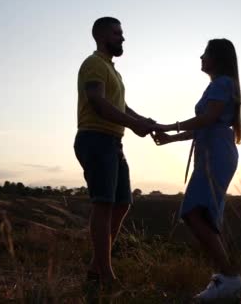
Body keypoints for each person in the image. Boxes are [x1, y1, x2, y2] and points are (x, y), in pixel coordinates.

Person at [151, 38, 241, 301]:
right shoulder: (218, 85)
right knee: (202, 215)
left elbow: (207, 119)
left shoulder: (222, 84)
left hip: (216, 153)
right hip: (211, 152)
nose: (200, 57)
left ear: (216, 57)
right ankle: (225, 279)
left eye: (205, 53)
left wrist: (170, 126)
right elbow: (203, 126)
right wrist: (170, 137)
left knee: (194, 212)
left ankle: (229, 278)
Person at [74, 17, 155, 288]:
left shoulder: (112, 71)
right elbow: (97, 102)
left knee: (122, 204)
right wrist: (134, 125)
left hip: (113, 143)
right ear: (102, 36)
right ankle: (106, 275)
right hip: (95, 139)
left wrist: (142, 121)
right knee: (104, 204)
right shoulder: (94, 63)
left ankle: (95, 268)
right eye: (117, 33)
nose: (122, 38)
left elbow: (120, 105)